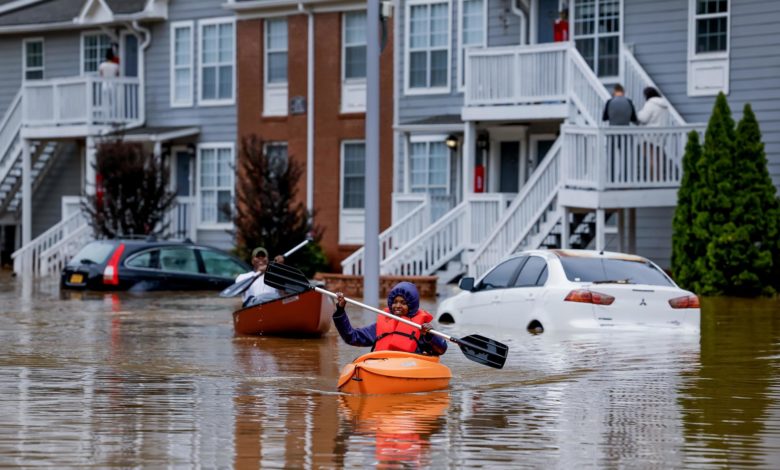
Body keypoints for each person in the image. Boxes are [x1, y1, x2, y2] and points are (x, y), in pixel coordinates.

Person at [332, 282, 448, 356]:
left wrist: (430, 336)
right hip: (382, 367)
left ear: (411, 305)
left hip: (409, 368)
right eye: (395, 302)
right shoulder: (380, 327)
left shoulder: (421, 329)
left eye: (403, 303)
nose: (397, 306)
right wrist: (340, 310)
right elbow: (351, 337)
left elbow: (441, 349)